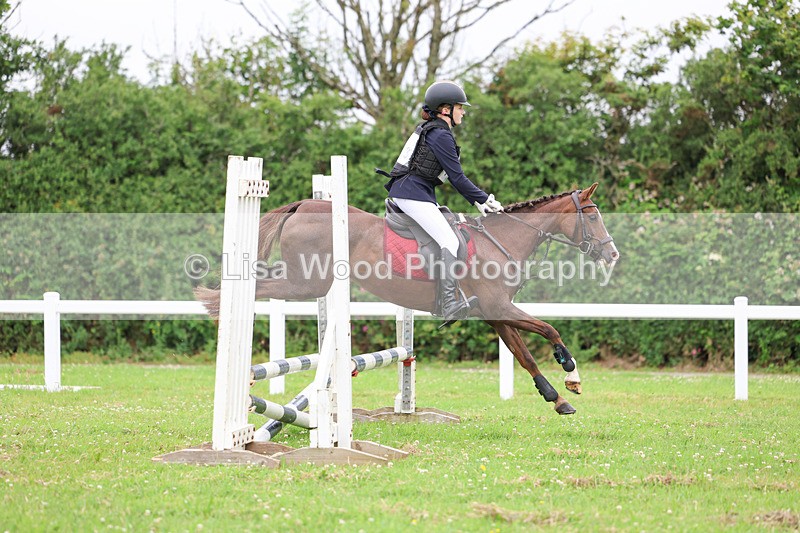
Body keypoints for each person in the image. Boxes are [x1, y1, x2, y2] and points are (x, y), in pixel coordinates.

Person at [382, 80, 503, 321]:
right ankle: (448, 303)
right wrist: (483, 198)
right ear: (446, 109)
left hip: (416, 193)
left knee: (450, 231)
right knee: (449, 239)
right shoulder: (440, 135)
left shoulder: (434, 131)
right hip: (411, 194)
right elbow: (457, 177)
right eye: (460, 107)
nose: (463, 111)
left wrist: (477, 202)